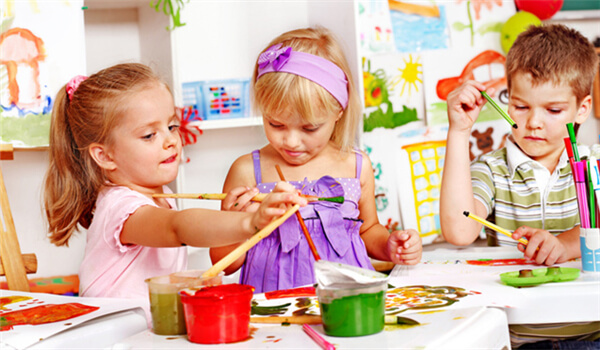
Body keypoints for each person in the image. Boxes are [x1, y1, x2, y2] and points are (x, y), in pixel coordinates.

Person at [43, 63, 307, 307]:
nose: (170, 140)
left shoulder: (161, 194)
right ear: (105, 156)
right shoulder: (119, 206)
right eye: (149, 135)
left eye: (171, 126)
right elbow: (178, 226)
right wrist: (250, 224)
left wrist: (233, 220)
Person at [210, 27, 422, 294]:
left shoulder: (356, 166)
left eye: (309, 128)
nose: (291, 141)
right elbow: (222, 263)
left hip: (347, 301)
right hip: (274, 307)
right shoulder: (247, 172)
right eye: (276, 124)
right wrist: (239, 224)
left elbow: (368, 230)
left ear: (338, 112)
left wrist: (391, 246)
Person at [440, 24, 600, 348]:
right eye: (521, 106)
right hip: (518, 340)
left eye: (553, 110)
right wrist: (458, 132)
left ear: (581, 109)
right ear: (507, 101)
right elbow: (459, 231)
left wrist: (564, 244)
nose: (533, 122)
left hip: (590, 333)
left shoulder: (594, 166)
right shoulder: (492, 169)